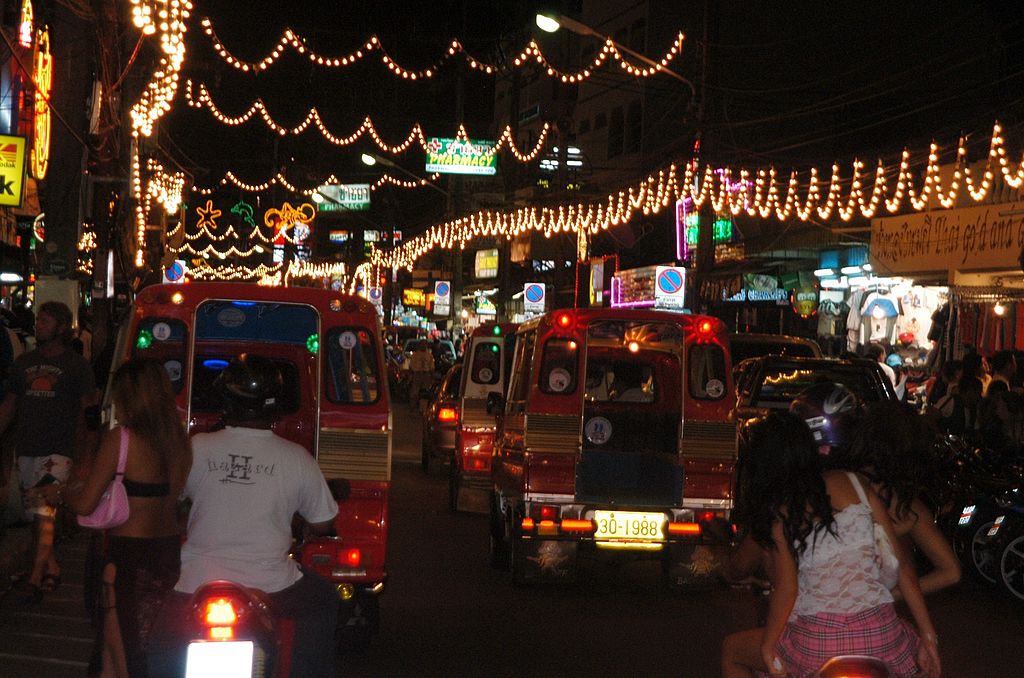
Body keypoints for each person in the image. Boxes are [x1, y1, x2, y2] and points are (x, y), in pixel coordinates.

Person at [148, 354, 339, 678]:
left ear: (227, 400)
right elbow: (323, 522)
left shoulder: (197, 447)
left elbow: (170, 501)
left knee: (159, 637)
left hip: (195, 579)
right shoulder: (296, 458)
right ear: (276, 406)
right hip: (271, 584)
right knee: (323, 600)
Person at [720, 412, 940, 678]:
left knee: (732, 651)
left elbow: (787, 591)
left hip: (816, 644)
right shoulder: (855, 483)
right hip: (880, 636)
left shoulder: (780, 514)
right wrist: (928, 637)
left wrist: (768, 646)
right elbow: (900, 565)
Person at [35, 358, 191, 677]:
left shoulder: (122, 438)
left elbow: (86, 504)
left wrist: (61, 493)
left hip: (128, 558)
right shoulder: (177, 440)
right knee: (149, 643)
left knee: (120, 646)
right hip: (168, 552)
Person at [0, 301, 98, 601]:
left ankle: (33, 578)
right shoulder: (23, 364)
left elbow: (90, 414)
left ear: (61, 327)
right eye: (39, 320)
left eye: (45, 321)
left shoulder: (77, 366)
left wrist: (86, 460)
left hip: (59, 450)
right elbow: (10, 405)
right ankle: (52, 567)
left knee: (44, 512)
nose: (38, 325)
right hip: (28, 448)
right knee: (37, 517)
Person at [830, 401, 961, 596]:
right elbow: (951, 572)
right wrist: (886, 597)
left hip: (824, 605)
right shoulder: (906, 507)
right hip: (875, 617)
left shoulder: (838, 483)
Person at [408, 339, 435, 410]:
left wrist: (432, 377)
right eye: (422, 344)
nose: (423, 346)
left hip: (426, 374)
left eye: (425, 344)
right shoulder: (415, 355)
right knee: (414, 391)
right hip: (417, 374)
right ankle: (413, 406)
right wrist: (411, 376)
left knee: (425, 392)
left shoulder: (429, 355)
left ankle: (423, 408)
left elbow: (431, 367)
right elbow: (411, 366)